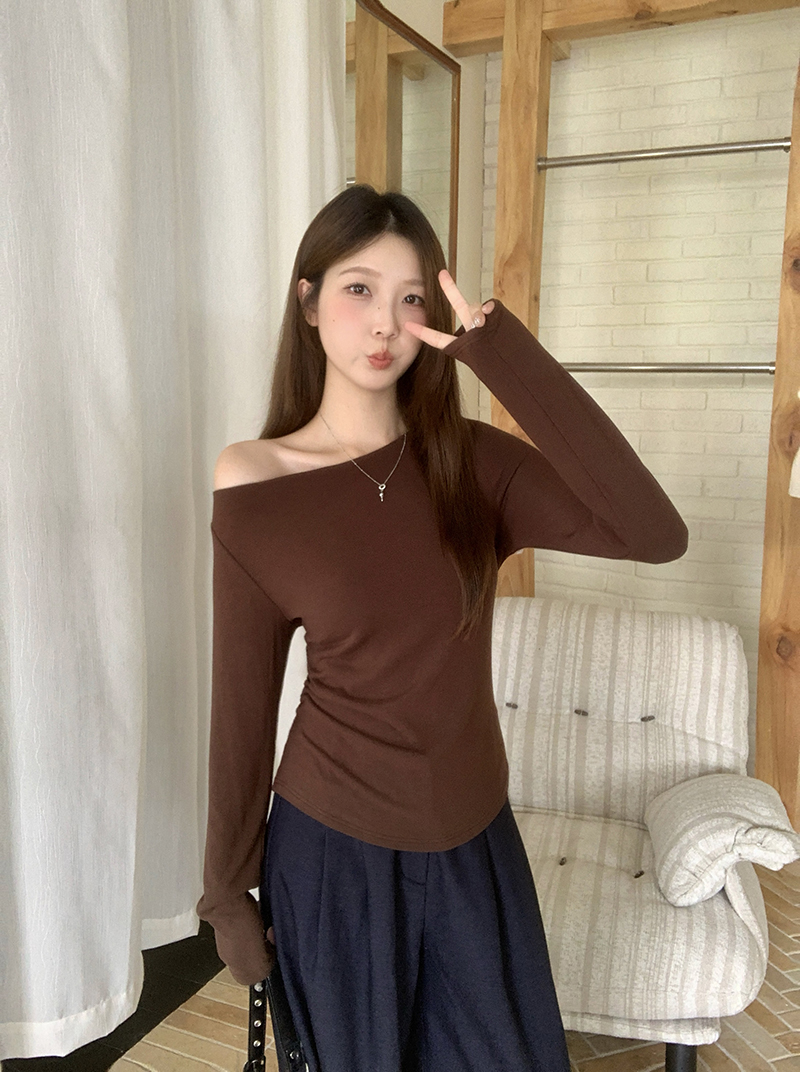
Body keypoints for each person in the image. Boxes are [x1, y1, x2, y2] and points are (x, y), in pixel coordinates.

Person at [196, 183, 689, 1071]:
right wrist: (227, 892)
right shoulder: (256, 482)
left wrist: (502, 355)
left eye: (412, 297)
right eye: (359, 288)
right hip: (332, 850)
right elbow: (241, 701)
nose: (385, 322)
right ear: (308, 302)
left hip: (473, 839)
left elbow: (653, 534)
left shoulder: (474, 463)